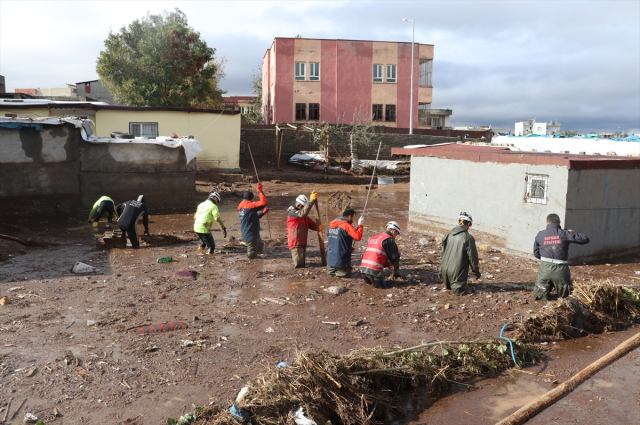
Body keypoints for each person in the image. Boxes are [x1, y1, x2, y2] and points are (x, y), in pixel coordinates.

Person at [533, 213, 589, 301]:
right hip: (561, 269)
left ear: (546, 223)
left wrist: (546, 260)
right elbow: (585, 239)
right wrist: (571, 232)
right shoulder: (565, 233)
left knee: (540, 294)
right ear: (559, 223)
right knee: (565, 296)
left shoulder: (540, 234)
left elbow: (536, 253)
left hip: (544, 267)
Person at [439, 212, 480, 296]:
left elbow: (442, 254)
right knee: (458, 295)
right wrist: (476, 270)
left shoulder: (448, 235)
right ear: (469, 224)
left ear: (459, 222)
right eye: (470, 225)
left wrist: (441, 270)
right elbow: (473, 257)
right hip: (457, 273)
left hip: (445, 273)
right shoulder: (468, 238)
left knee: (448, 292)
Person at [360, 221, 402, 288]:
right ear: (394, 231)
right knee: (382, 289)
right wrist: (396, 274)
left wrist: (386, 264)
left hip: (363, 270)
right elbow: (395, 259)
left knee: (369, 287)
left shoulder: (372, 238)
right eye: (397, 234)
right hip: (375, 272)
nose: (395, 237)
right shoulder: (389, 239)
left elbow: (375, 255)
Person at [287, 191, 322, 268]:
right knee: (299, 265)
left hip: (302, 242)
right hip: (295, 243)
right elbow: (303, 213)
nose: (303, 208)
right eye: (303, 206)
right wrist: (310, 202)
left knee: (302, 264)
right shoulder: (292, 213)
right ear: (299, 205)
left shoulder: (302, 216)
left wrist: (318, 227)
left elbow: (310, 224)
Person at [326, 208, 364, 278]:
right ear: (349, 217)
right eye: (353, 218)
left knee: (330, 279)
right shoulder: (346, 225)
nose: (353, 220)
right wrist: (360, 225)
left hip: (330, 261)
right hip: (341, 261)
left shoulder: (332, 224)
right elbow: (358, 237)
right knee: (342, 280)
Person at [238, 183, 269, 259]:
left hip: (250, 232)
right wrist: (260, 191)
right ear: (250, 198)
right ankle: (250, 262)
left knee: (260, 244)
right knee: (251, 255)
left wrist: (263, 213)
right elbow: (264, 203)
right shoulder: (249, 206)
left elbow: (253, 217)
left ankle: (258, 255)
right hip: (251, 233)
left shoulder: (242, 206)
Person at [193, 191, 226, 255]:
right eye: (217, 201)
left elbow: (195, 217)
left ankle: (200, 250)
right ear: (216, 198)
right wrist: (223, 227)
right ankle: (209, 259)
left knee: (205, 240)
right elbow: (217, 218)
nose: (217, 203)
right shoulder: (213, 206)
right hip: (204, 228)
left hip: (196, 227)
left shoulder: (201, 204)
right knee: (211, 246)